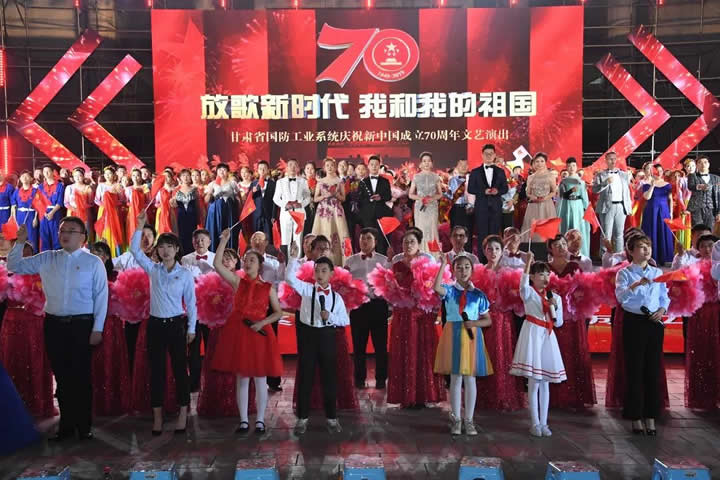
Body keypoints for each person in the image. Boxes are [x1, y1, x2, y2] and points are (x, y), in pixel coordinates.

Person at [8, 217, 108, 441]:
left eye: (71, 231)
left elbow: (101, 297)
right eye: (62, 230)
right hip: (54, 325)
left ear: (83, 237)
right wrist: (19, 243)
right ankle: (66, 426)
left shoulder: (93, 262)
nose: (65, 234)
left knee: (81, 376)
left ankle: (84, 426)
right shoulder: (48, 258)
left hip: (82, 325)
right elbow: (14, 266)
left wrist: (98, 329)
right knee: (62, 377)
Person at [131, 211, 197, 435]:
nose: (165, 250)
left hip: (176, 326)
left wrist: (191, 328)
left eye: (170, 246)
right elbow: (135, 251)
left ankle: (183, 412)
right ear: (157, 250)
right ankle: (157, 416)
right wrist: (140, 226)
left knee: (180, 370)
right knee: (156, 371)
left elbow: (191, 303)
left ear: (177, 249)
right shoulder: (153, 269)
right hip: (155, 326)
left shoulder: (185, 274)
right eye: (162, 247)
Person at [211, 229, 283, 434]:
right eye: (245, 260)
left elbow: (278, 312)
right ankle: (243, 420)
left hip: (259, 333)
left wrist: (262, 323)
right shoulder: (237, 282)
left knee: (260, 378)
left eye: (252, 260)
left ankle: (260, 420)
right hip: (239, 333)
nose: (248, 263)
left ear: (260, 264)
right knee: (242, 378)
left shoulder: (268, 287)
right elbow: (217, 265)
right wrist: (223, 241)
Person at [286, 241, 349, 435]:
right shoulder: (306, 289)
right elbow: (289, 279)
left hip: (327, 336)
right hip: (308, 336)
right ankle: (302, 418)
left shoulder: (336, 298)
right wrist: (293, 258)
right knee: (306, 377)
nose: (320, 274)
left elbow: (344, 320)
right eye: (317, 270)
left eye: (324, 270)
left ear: (331, 274)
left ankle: (332, 418)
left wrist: (330, 317)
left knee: (329, 377)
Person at [615, 234, 670, 435]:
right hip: (634, 323)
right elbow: (621, 297)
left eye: (648, 246)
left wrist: (662, 310)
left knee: (652, 370)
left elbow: (664, 297)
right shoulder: (625, 273)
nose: (646, 250)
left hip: (654, 323)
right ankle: (635, 417)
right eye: (640, 246)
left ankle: (651, 417)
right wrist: (636, 284)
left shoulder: (657, 272)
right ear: (631, 251)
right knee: (635, 370)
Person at [433, 253, 492, 435]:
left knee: (470, 378)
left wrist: (474, 323)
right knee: (456, 378)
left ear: (472, 270)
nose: (463, 271)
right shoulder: (449, 290)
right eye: (459, 267)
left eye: (467, 267)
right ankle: (457, 419)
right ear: (453, 271)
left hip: (471, 336)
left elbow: (488, 320)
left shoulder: (478, 294)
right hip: (453, 335)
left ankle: (469, 419)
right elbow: (436, 287)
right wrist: (442, 265)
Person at [387, 229, 446, 407]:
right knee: (404, 351)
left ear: (419, 243)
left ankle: (425, 394)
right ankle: (406, 396)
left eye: (412, 241)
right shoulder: (396, 260)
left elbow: (435, 285)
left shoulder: (428, 259)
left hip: (422, 313)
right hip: (402, 313)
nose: (408, 245)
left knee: (423, 352)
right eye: (405, 242)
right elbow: (389, 287)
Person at [509, 255, 566, 437]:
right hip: (533, 334)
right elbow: (522, 285)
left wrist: (555, 307)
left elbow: (559, 323)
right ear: (533, 277)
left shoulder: (555, 297)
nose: (545, 278)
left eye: (547, 274)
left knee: (545, 382)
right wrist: (528, 264)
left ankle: (544, 423)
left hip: (547, 337)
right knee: (534, 382)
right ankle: (534, 423)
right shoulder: (529, 293)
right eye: (540, 274)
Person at [475, 235, 525, 411]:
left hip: (504, 320)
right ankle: (485, 396)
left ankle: (505, 395)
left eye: (497, 248)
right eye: (489, 249)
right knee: (485, 355)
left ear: (502, 251)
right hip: (485, 321)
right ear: (484, 251)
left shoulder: (509, 272)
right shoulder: (478, 272)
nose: (493, 252)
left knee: (504, 356)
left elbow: (519, 300)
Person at [546, 235, 596, 409]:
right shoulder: (545, 267)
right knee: (554, 354)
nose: (561, 247)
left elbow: (585, 290)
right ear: (550, 248)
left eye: (563, 244)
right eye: (556, 245)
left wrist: (577, 296)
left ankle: (575, 396)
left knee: (574, 353)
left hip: (573, 318)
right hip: (552, 317)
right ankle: (553, 396)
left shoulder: (575, 267)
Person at [89, 241, 131, 416]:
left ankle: (115, 400)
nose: (97, 256)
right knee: (94, 361)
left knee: (112, 358)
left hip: (112, 323)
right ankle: (96, 400)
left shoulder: (116, 275)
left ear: (107, 256)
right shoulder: (85, 274)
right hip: (90, 322)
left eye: (101, 253)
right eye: (94, 252)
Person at [344, 227, 389, 389]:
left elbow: (390, 283)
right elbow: (345, 283)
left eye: (368, 238)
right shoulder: (350, 261)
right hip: (359, 307)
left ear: (375, 241)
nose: (364, 241)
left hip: (378, 305)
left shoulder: (385, 261)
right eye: (362, 238)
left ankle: (381, 379)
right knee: (358, 346)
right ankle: (359, 379)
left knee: (380, 346)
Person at [684, 234, 720, 409]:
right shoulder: (693, 267)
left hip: (717, 311)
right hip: (700, 313)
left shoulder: (717, 266)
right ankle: (700, 395)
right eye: (703, 246)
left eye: (710, 245)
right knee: (701, 351)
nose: (707, 249)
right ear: (697, 249)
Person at [181, 229, 215, 407]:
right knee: (193, 349)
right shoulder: (185, 259)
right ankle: (193, 382)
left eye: (203, 240)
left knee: (211, 346)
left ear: (209, 242)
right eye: (197, 240)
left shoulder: (216, 259)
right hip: (192, 309)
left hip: (211, 311)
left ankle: (211, 382)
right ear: (193, 242)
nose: (200, 242)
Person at [468, 144, 508, 258]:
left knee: (495, 235)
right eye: (486, 154)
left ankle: (495, 260)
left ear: (495, 155)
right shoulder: (475, 172)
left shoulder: (500, 171)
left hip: (496, 208)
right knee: (482, 235)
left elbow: (505, 188)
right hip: (481, 208)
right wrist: (483, 191)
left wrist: (498, 191)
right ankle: (482, 261)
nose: (489, 156)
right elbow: (471, 188)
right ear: (482, 155)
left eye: (491, 154)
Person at [312, 157, 350, 266]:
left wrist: (336, 194)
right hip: (323, 211)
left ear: (335, 167)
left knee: (338, 234)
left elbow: (343, 198)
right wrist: (324, 196)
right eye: (327, 165)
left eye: (332, 165)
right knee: (323, 232)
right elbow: (315, 198)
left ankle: (339, 262)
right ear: (324, 168)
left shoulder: (339, 181)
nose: (329, 167)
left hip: (336, 210)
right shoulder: (320, 182)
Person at [592, 152, 632, 256]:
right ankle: (605, 257)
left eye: (614, 158)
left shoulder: (624, 175)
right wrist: (605, 183)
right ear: (606, 160)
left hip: (621, 206)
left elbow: (627, 191)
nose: (613, 161)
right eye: (610, 159)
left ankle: (619, 257)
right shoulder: (601, 175)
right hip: (607, 206)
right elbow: (594, 190)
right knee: (606, 234)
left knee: (619, 233)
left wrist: (628, 206)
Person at [274, 158, 312, 257]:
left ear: (298, 168)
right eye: (290, 165)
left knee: (298, 239)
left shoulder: (303, 181)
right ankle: (285, 261)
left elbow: (308, 197)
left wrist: (301, 204)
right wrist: (285, 204)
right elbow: (276, 198)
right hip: (286, 213)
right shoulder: (280, 182)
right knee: (285, 239)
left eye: (295, 165)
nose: (293, 167)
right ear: (286, 168)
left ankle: (297, 261)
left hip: (299, 213)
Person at [357, 156, 393, 255]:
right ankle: (369, 259)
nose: (374, 166)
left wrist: (380, 197)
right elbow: (359, 199)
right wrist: (369, 199)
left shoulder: (385, 181)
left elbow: (389, 196)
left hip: (382, 215)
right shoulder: (363, 182)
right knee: (369, 239)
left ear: (379, 166)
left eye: (376, 165)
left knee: (381, 240)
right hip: (367, 215)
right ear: (368, 166)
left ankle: (382, 259)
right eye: (372, 164)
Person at [520, 153, 558, 248]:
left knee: (547, 228)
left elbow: (554, 191)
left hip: (547, 206)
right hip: (533, 206)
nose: (539, 163)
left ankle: (548, 250)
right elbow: (528, 193)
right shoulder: (531, 177)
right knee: (532, 228)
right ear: (534, 163)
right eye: (537, 161)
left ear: (545, 163)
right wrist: (533, 197)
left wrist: (545, 198)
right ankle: (532, 250)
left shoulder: (550, 176)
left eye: (542, 161)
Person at [409, 152, 443, 253]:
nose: (426, 163)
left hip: (432, 207)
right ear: (420, 164)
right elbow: (410, 194)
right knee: (421, 229)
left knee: (432, 230)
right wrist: (421, 198)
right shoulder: (416, 177)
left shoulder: (436, 177)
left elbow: (440, 194)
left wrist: (432, 198)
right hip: (420, 208)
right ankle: (421, 253)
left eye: (429, 161)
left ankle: (434, 254)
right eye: (424, 161)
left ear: (432, 163)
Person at [641, 164, 674, 265]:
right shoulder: (646, 184)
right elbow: (647, 197)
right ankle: (651, 257)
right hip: (651, 211)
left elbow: (670, 199)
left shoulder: (667, 185)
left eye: (661, 171)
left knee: (664, 232)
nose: (659, 173)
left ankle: (666, 258)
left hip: (664, 211)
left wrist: (671, 212)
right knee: (651, 232)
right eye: (657, 171)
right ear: (652, 172)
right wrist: (652, 185)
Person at [556, 158, 590, 257]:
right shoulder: (563, 182)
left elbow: (585, 197)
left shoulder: (581, 182)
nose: (571, 168)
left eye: (573, 165)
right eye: (569, 166)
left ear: (576, 167)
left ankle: (581, 253)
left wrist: (587, 209)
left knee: (578, 228)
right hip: (567, 206)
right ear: (566, 167)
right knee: (567, 228)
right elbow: (562, 195)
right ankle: (566, 254)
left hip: (578, 206)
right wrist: (571, 191)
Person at [205, 163, 241, 251]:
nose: (222, 172)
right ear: (217, 172)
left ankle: (229, 251)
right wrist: (210, 193)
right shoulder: (212, 184)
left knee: (229, 230)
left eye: (224, 170)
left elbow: (238, 197)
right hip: (215, 210)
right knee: (215, 230)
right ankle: (214, 251)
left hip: (229, 210)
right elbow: (206, 200)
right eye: (220, 170)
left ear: (228, 172)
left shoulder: (232, 183)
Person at [95, 166, 125, 257]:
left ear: (114, 175)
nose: (108, 176)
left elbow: (122, 200)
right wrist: (106, 205)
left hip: (114, 211)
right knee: (104, 229)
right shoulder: (101, 185)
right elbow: (96, 200)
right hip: (104, 210)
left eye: (110, 174)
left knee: (114, 230)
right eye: (106, 174)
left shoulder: (118, 185)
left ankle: (116, 253)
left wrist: (113, 204)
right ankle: (102, 252)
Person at [37, 165, 65, 251]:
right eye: (44, 172)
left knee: (56, 236)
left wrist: (52, 213)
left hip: (55, 213)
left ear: (53, 172)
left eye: (48, 171)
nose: (46, 173)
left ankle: (57, 256)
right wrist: (44, 212)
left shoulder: (60, 186)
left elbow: (60, 202)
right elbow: (38, 201)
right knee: (44, 236)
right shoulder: (40, 187)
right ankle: (46, 257)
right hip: (43, 214)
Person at [687, 155, 720, 228]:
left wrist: (719, 212)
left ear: (709, 164)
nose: (703, 164)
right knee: (698, 230)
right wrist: (701, 186)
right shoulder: (692, 176)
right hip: (696, 209)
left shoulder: (716, 178)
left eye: (705, 162)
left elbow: (718, 196)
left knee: (711, 230)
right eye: (700, 162)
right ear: (697, 165)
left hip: (711, 209)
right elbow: (691, 186)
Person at [173, 169, 201, 256]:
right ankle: (182, 255)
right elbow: (173, 206)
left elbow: (198, 204)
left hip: (192, 216)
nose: (185, 178)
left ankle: (193, 255)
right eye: (183, 175)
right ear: (180, 178)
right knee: (182, 236)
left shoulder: (194, 189)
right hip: (181, 216)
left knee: (192, 235)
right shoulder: (176, 190)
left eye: (187, 175)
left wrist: (200, 217)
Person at [11, 171, 40, 252]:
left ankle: (33, 254)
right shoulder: (17, 191)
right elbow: (13, 206)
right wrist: (14, 219)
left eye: (26, 176)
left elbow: (38, 205)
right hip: (20, 215)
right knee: (20, 237)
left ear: (31, 179)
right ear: (20, 179)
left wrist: (35, 218)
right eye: (22, 176)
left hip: (31, 215)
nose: (24, 178)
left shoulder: (35, 191)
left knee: (32, 236)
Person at [447, 159, 474, 241]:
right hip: (456, 209)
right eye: (461, 165)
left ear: (468, 166)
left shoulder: (472, 179)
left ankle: (467, 249)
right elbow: (450, 196)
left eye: (465, 165)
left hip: (468, 209)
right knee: (455, 232)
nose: (463, 167)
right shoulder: (452, 180)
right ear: (457, 167)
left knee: (468, 233)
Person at [250, 161, 277, 241]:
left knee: (268, 237)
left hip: (268, 214)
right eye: (260, 168)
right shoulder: (254, 183)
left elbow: (275, 201)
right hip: (256, 214)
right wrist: (252, 192)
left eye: (264, 168)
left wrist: (273, 215)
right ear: (257, 170)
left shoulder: (273, 184)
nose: (262, 170)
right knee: (256, 237)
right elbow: (249, 200)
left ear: (268, 170)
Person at [124, 168, 149, 249]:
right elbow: (125, 201)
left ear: (141, 177)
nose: (136, 177)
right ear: (131, 177)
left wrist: (140, 205)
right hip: (132, 213)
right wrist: (133, 204)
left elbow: (148, 201)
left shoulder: (145, 188)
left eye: (138, 175)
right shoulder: (128, 189)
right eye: (134, 175)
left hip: (142, 212)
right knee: (132, 229)